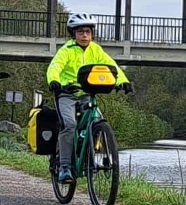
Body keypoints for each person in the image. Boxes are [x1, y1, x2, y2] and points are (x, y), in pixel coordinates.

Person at [45, 13, 132, 179]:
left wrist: (123, 81)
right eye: (80, 32)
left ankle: (88, 155)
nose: (84, 35)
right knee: (69, 124)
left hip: (87, 93)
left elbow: (111, 66)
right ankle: (64, 167)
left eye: (87, 32)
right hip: (67, 94)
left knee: (98, 121)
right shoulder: (67, 50)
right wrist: (54, 81)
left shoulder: (96, 50)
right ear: (73, 34)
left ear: (92, 34)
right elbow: (55, 66)